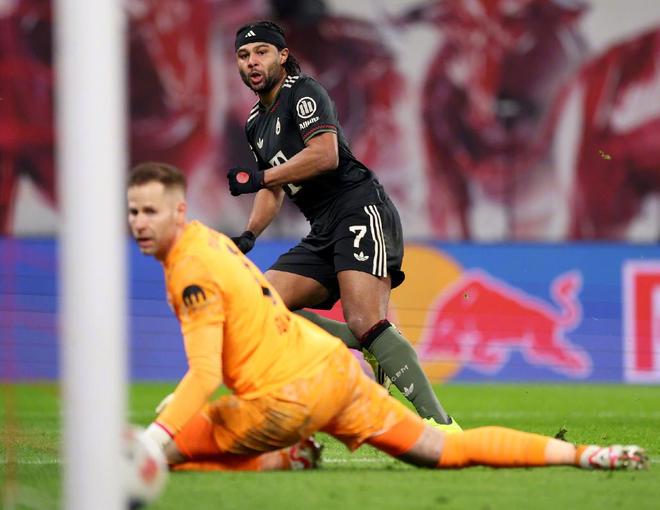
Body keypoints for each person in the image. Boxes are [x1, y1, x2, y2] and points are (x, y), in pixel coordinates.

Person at [128, 161, 648, 473]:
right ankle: (588, 456)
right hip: (334, 375)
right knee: (444, 452)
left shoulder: (191, 271)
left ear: (179, 212)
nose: (139, 223)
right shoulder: (211, 242)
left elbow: (206, 374)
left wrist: (157, 435)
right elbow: (255, 313)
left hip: (287, 398)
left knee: (162, 454)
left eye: (150, 212)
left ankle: (280, 454)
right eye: (132, 211)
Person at [226, 20, 458, 431]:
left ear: (282, 56)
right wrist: (248, 235)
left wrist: (259, 177)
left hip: (359, 208)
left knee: (364, 319)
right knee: (262, 304)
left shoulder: (303, 92)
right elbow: (273, 188)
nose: (252, 62)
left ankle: (442, 427)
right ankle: (372, 344)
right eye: (244, 56)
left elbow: (325, 155)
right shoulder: (254, 123)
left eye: (261, 52)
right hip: (322, 228)